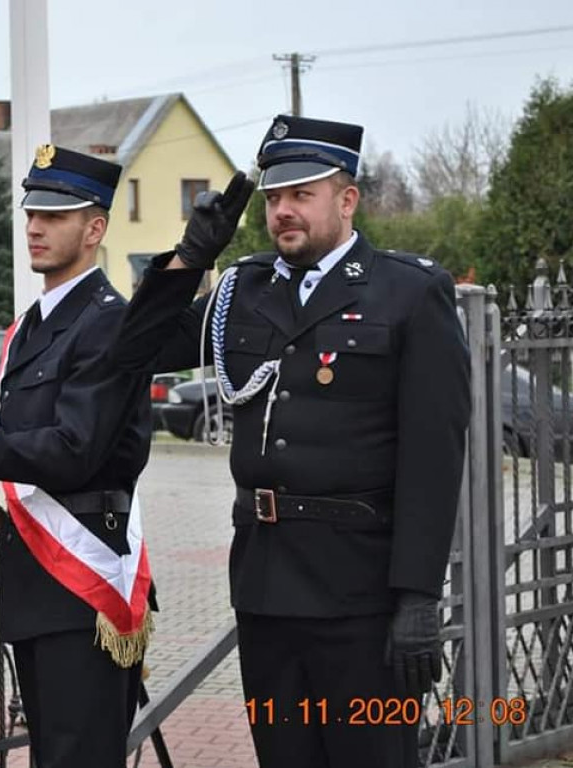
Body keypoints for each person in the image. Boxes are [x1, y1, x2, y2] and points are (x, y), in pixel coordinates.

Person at [111, 115, 471, 768]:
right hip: (267, 587)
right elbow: (135, 349)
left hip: (362, 596)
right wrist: (189, 258)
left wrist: (419, 596)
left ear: (346, 198)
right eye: (275, 198)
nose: (283, 211)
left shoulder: (409, 294)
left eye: (301, 194)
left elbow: (434, 459)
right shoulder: (242, 291)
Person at [0, 145, 153, 768]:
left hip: (82, 581)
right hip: (36, 581)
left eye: (55, 216)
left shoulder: (109, 324)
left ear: (94, 230)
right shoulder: (31, 327)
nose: (35, 227)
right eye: (32, 213)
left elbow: (69, 451)